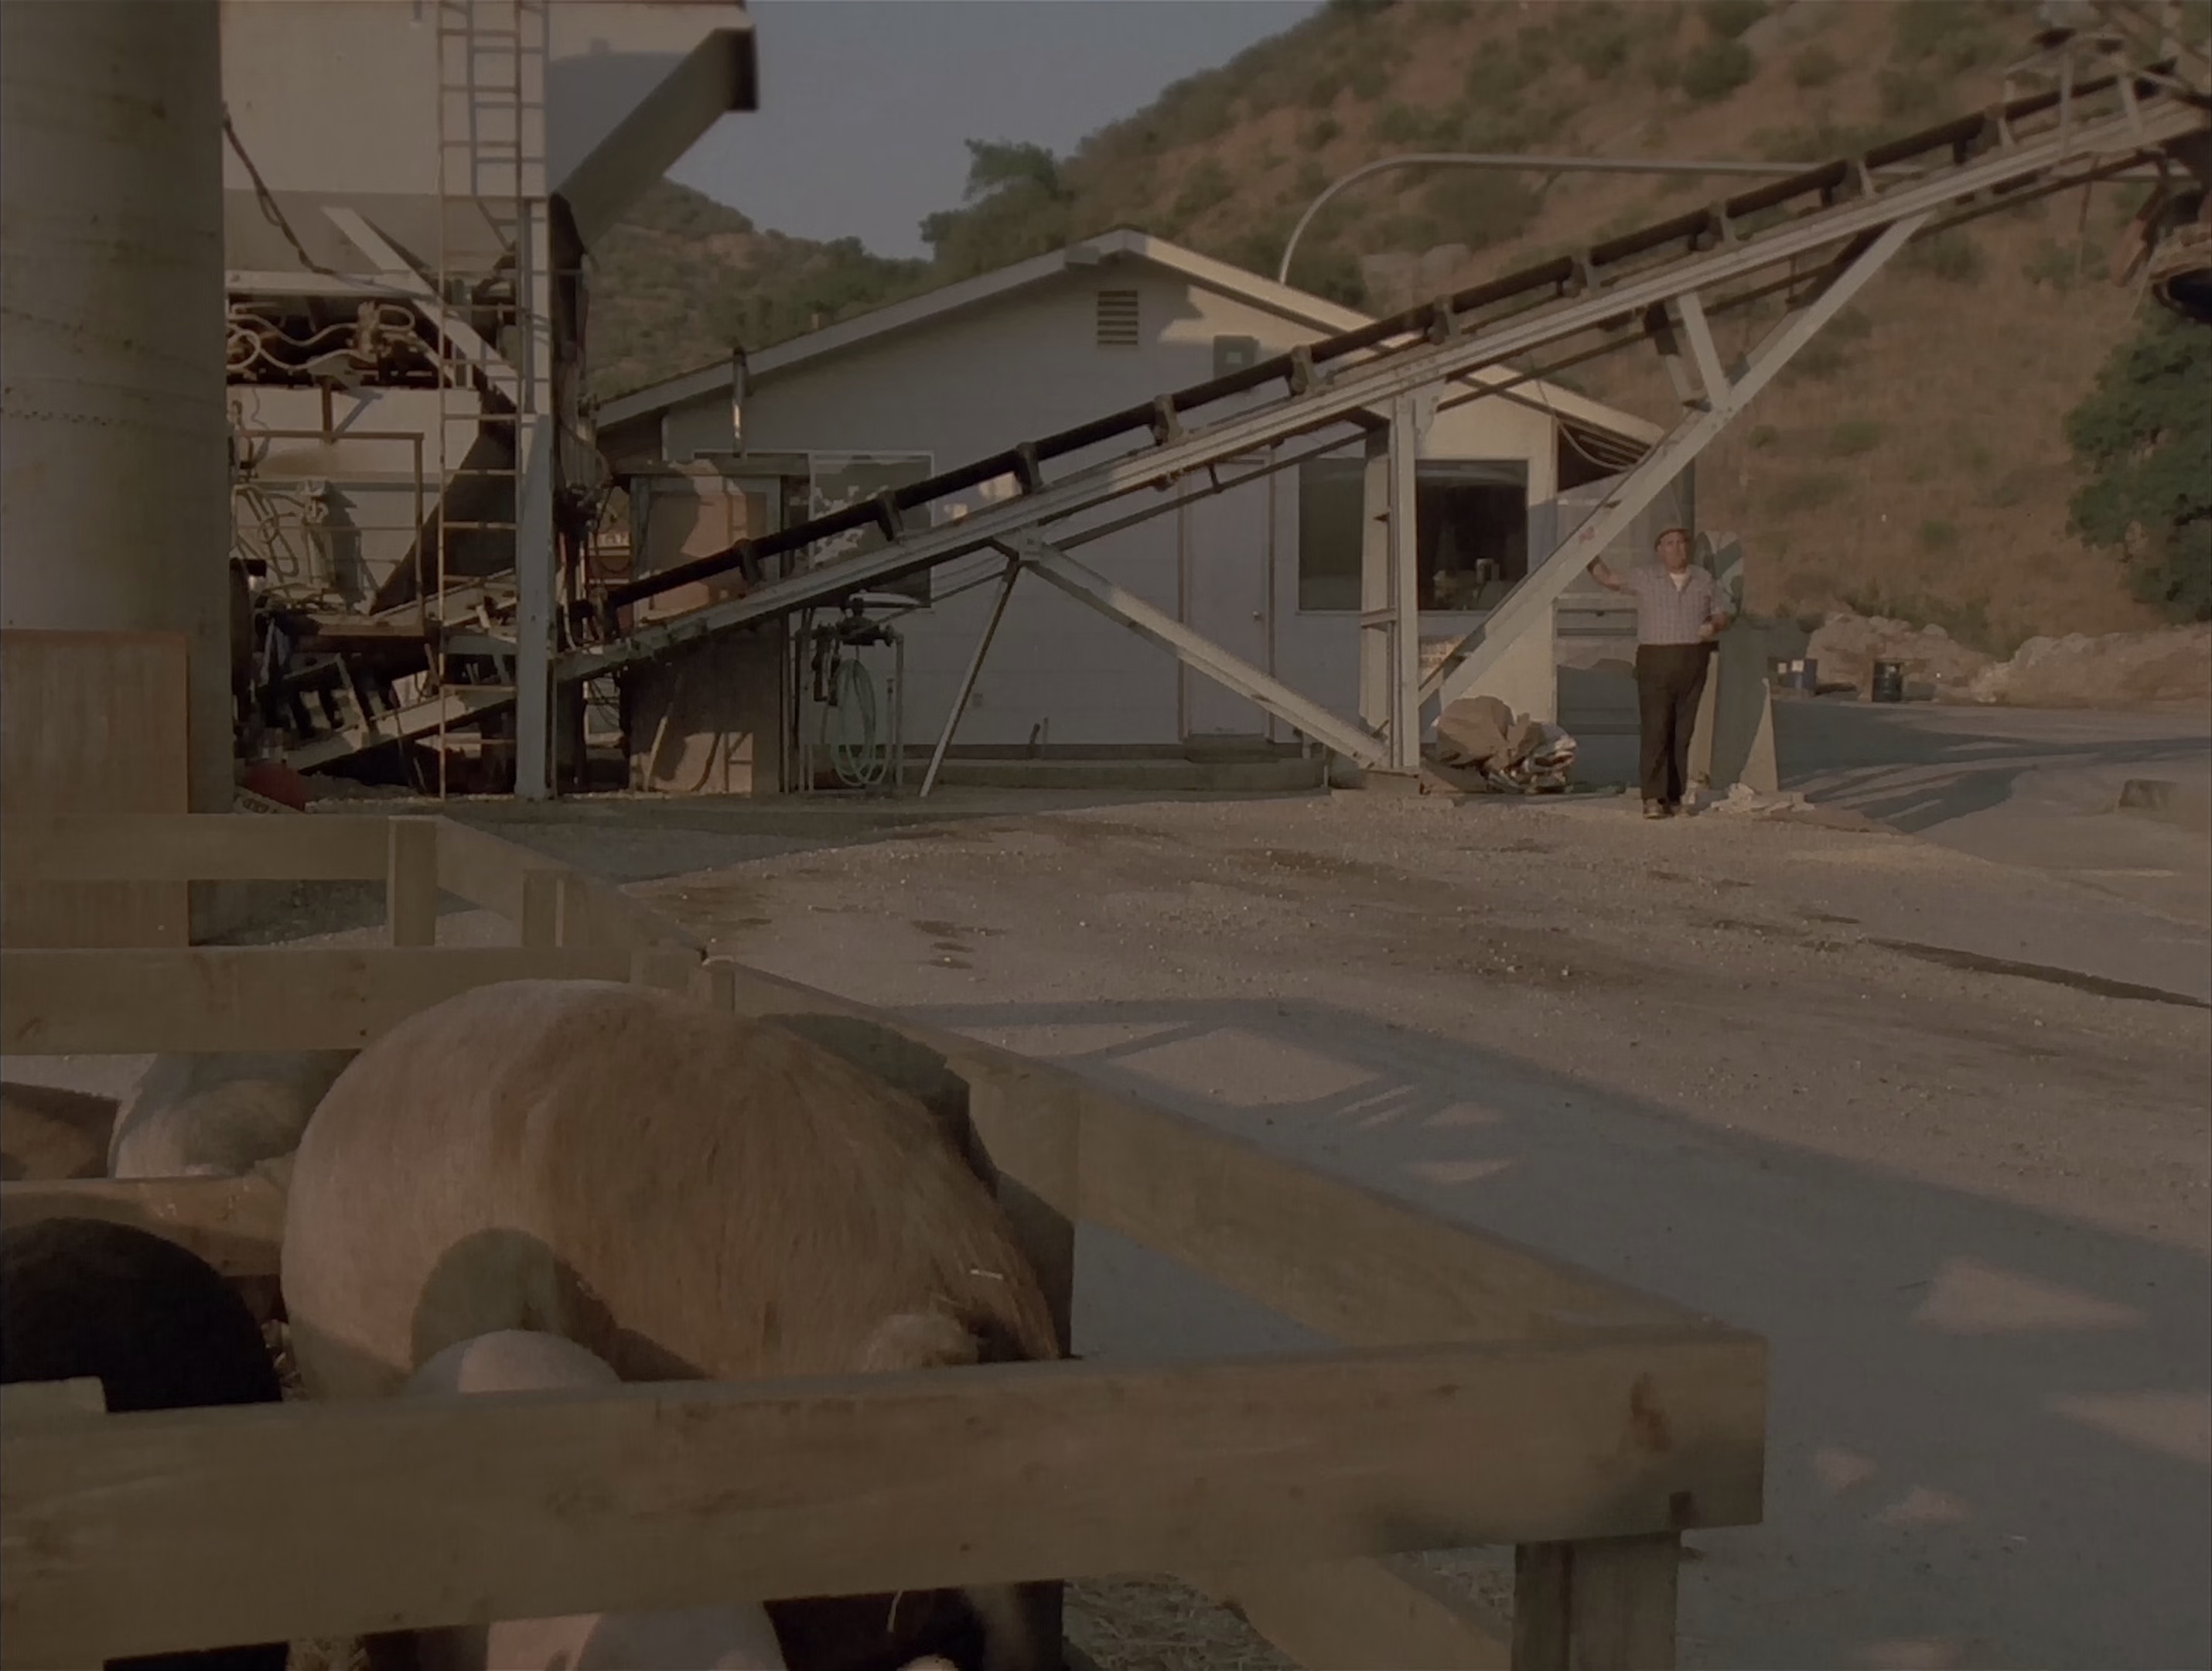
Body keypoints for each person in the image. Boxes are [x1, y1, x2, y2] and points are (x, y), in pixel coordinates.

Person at [1588, 526, 1731, 818]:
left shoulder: (1703, 578)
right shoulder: (1644, 577)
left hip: (1692, 658)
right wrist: (1589, 551)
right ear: (1659, 550)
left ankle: (1674, 796)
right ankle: (1652, 796)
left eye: (1681, 542)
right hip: (1656, 658)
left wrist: (1714, 625)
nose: (1677, 548)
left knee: (1682, 731)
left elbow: (1722, 612)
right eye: (1669, 543)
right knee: (1656, 728)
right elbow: (1609, 578)